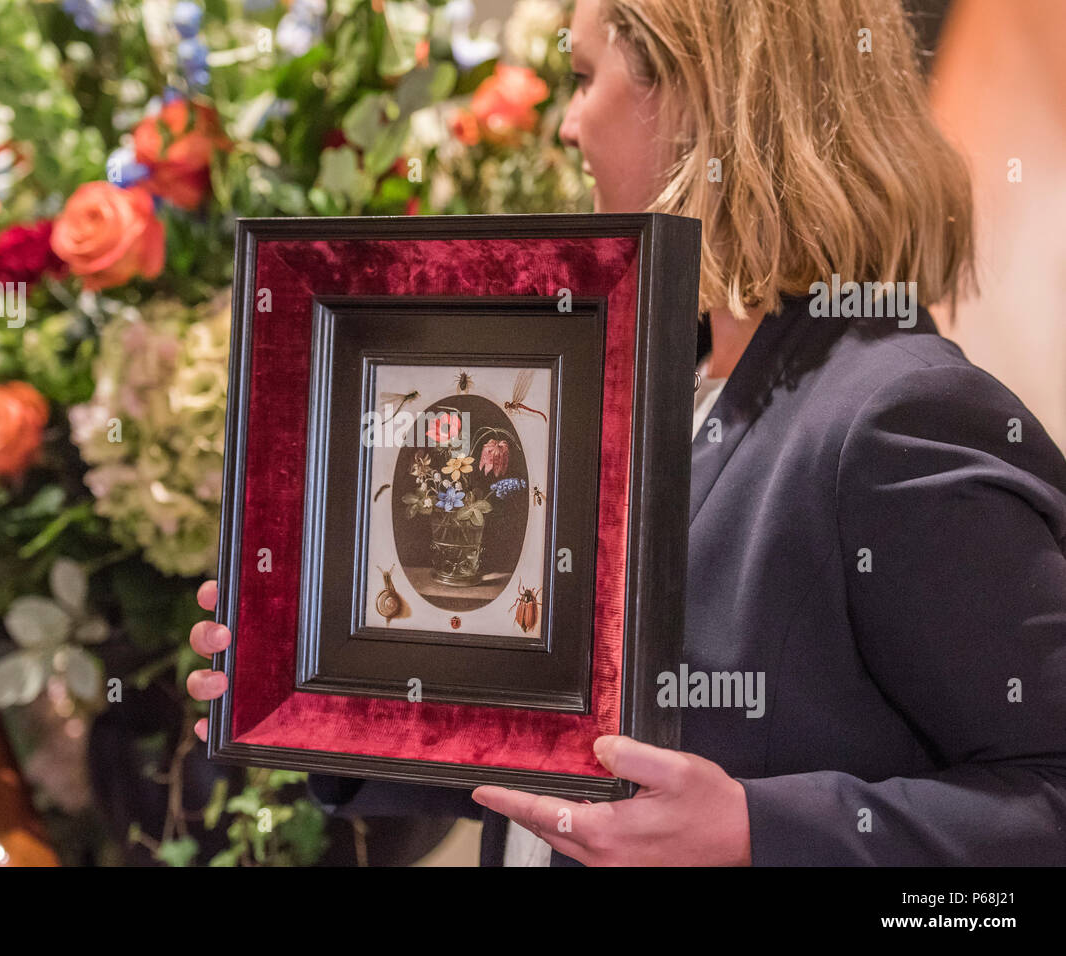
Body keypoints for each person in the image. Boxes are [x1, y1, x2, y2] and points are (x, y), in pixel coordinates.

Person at [188, 0, 1066, 865]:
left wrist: (756, 831)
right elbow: (564, 734)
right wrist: (317, 672)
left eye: (581, 76)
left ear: (693, 91)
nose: (566, 127)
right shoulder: (630, 372)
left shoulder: (895, 415)